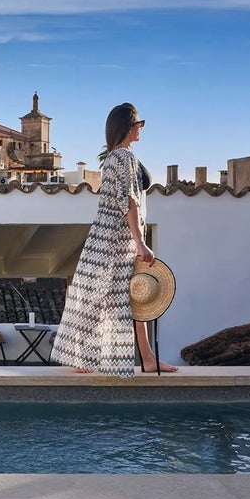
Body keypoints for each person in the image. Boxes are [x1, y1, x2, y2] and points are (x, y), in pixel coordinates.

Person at [50, 102, 178, 375]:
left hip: (107, 235)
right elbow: (128, 201)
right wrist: (140, 242)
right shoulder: (124, 158)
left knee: (122, 295)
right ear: (128, 128)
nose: (141, 129)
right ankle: (136, 358)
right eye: (138, 125)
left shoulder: (114, 158)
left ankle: (144, 358)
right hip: (117, 238)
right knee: (118, 295)